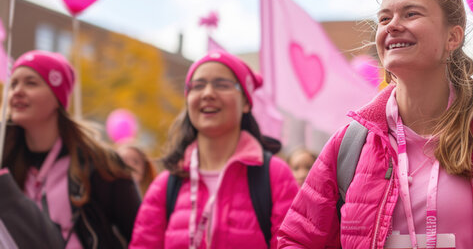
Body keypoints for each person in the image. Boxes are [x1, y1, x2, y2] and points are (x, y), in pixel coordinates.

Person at [278, 0, 473, 248]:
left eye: (411, 14)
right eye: (385, 18)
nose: (392, 26)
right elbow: (295, 239)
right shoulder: (349, 144)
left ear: (452, 37)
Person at [130, 51, 298, 249]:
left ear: (245, 102)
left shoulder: (275, 175)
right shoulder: (165, 184)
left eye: (222, 85)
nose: (208, 93)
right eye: (198, 86)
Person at [1, 50, 141, 248]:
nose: (17, 91)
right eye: (13, 83)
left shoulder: (100, 163)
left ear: (57, 97)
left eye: (31, 83)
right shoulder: (4, 159)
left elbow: (141, 234)